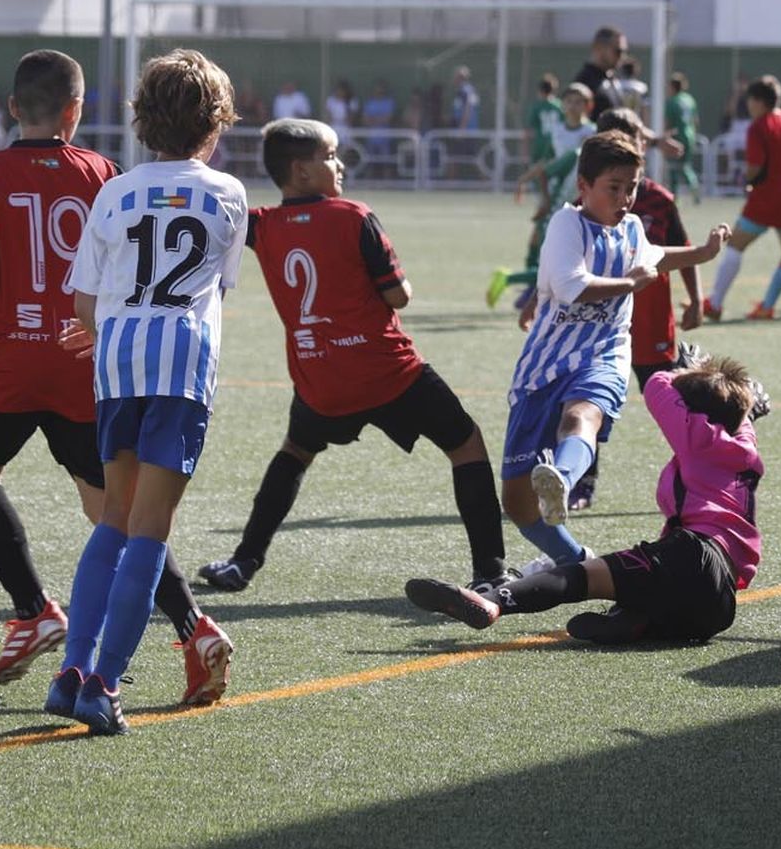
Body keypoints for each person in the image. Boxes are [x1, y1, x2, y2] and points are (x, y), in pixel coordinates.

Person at [0, 49, 231, 701]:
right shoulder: (104, 173)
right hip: (90, 358)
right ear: (76, 112)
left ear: (14, 108)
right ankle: (194, 630)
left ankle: (34, 611)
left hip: (12, 358)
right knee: (118, 513)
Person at [196, 119, 512, 594]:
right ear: (301, 171)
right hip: (389, 373)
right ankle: (490, 572)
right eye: (329, 156)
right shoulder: (353, 215)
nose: (339, 163)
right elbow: (398, 297)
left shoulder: (260, 225)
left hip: (321, 381)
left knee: (295, 451)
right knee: (466, 443)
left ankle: (244, 562)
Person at [46, 49, 247, 735]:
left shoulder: (114, 191)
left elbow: (83, 304)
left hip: (118, 361)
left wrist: (106, 328)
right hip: (181, 364)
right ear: (214, 124)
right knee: (150, 532)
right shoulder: (228, 193)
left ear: (141, 121)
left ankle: (73, 669)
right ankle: (104, 683)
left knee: (114, 520)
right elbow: (215, 288)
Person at [406, 351, 765, 646]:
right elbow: (738, 416)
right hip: (718, 605)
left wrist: (678, 371)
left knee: (581, 578)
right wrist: (744, 406)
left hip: (693, 555)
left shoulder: (697, 435)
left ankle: (493, 602)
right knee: (649, 591)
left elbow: (657, 386)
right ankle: (636, 620)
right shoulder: (745, 448)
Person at [500, 130, 730, 576]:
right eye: (614, 187)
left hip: (604, 354)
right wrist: (631, 284)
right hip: (543, 367)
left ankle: (562, 481)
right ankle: (578, 564)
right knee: (516, 503)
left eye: (633, 187)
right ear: (583, 187)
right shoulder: (567, 224)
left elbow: (655, 256)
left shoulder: (632, 227)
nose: (625, 198)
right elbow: (571, 287)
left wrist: (702, 252)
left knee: (580, 417)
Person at [560, 106, 702, 513]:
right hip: (599, 326)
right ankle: (579, 483)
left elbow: (683, 249)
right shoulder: (583, 207)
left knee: (673, 405)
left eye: (632, 141)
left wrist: (694, 298)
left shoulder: (658, 201)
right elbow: (566, 265)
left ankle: (695, 477)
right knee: (586, 402)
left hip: (651, 323)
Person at [703, 76, 781, 325]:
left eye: (750, 101)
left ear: (758, 101)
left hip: (765, 198)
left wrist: (745, 179)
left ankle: (714, 304)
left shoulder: (759, 126)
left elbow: (755, 166)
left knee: (735, 245)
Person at [488, 83, 595, 310]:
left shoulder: (591, 133)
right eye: (570, 101)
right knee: (542, 244)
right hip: (555, 195)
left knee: (555, 251)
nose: (573, 106)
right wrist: (524, 180)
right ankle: (523, 287)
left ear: (588, 106)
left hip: (578, 199)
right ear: (563, 104)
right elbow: (545, 163)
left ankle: (520, 284)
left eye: (579, 101)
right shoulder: (557, 130)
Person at [573, 26, 627, 121]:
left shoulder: (612, 79)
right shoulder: (585, 81)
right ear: (599, 48)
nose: (622, 57)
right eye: (618, 51)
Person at [665, 72, 700, 203]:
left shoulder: (672, 101)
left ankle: (674, 196)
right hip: (690, 135)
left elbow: (669, 122)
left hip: (677, 136)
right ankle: (694, 187)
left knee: (674, 167)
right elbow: (696, 120)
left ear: (672, 86)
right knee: (686, 165)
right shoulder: (689, 99)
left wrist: (666, 137)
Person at [524, 73, 563, 167]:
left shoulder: (537, 107)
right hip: (557, 147)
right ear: (554, 89)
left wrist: (525, 154)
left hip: (540, 148)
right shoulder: (560, 106)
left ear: (539, 90)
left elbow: (528, 132)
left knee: (537, 176)